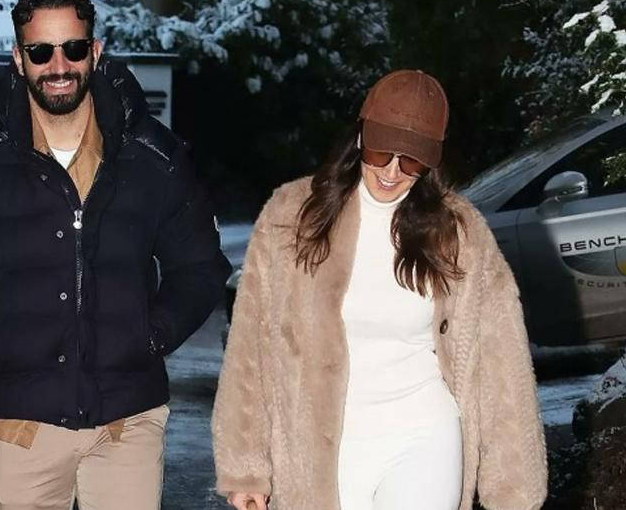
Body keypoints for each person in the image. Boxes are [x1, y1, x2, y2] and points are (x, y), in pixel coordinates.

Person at [0, 0, 231, 510]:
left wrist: (153, 334)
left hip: (127, 420)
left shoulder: (152, 157)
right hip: (20, 425)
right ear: (18, 58)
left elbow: (201, 267)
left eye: (73, 48)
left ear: (95, 51)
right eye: (40, 51)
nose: (59, 65)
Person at [211, 70, 547, 510]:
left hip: (424, 440)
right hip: (319, 447)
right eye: (380, 151)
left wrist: (514, 488)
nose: (392, 171)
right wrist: (245, 467)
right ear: (360, 137)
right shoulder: (290, 216)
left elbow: (501, 359)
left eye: (411, 161)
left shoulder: (459, 232)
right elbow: (250, 347)